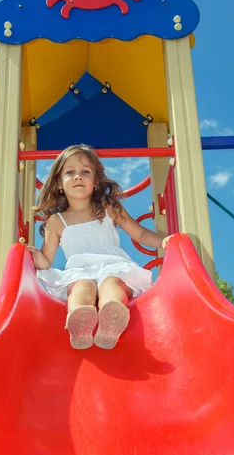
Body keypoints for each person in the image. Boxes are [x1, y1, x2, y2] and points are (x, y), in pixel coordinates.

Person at [28, 144, 172, 350]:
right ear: (59, 182)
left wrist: (164, 241)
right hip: (80, 271)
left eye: (85, 172)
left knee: (112, 284)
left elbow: (138, 233)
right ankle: (80, 321)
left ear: (95, 182)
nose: (78, 176)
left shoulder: (108, 209)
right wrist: (34, 255)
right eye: (70, 172)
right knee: (82, 287)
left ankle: (111, 318)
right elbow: (47, 259)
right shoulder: (56, 221)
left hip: (113, 266)